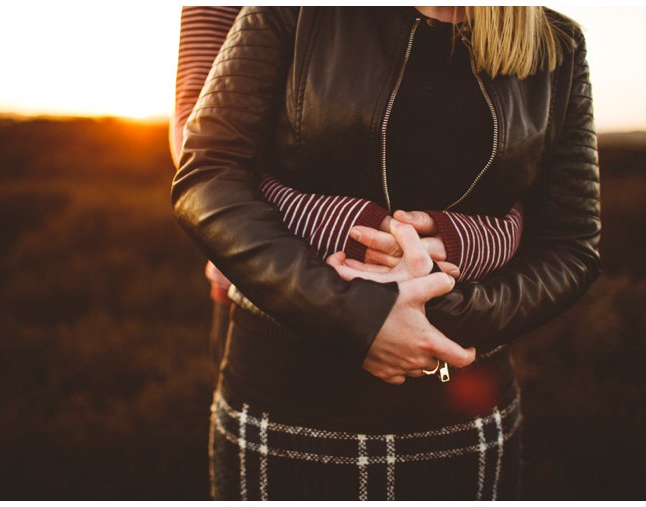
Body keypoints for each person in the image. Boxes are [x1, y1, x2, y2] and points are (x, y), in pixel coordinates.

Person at [172, 6, 599, 500]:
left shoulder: (556, 42)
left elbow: (572, 244)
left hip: (463, 409)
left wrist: (442, 309)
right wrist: (359, 315)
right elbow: (207, 172)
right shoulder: (288, 10)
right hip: (288, 396)